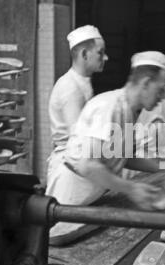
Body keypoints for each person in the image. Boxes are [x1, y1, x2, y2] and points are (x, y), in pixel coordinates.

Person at [46, 51, 165, 211]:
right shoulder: (110, 107)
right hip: (71, 193)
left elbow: (121, 157)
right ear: (146, 83)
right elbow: (88, 165)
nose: (162, 97)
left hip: (93, 192)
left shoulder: (130, 109)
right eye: (161, 90)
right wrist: (131, 188)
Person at [46, 25, 108, 196]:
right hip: (70, 171)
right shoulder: (70, 87)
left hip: (80, 165)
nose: (106, 57)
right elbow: (78, 140)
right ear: (84, 55)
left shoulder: (82, 82)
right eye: (100, 53)